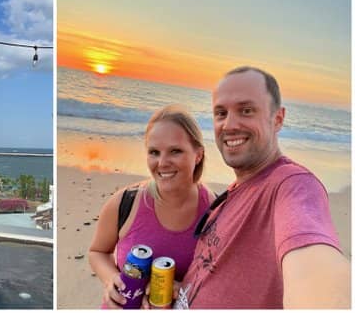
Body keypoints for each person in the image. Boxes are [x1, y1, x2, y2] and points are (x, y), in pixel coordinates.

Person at [175, 66, 350, 309]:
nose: (229, 124)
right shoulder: (234, 191)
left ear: (277, 119)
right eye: (221, 113)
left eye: (246, 111)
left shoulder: (292, 185)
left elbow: (316, 273)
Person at [88, 104, 215, 308]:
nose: (162, 163)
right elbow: (97, 252)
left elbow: (221, 283)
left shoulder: (216, 213)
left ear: (198, 154)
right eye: (154, 152)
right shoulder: (124, 203)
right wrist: (111, 278)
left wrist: (184, 290)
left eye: (175, 151)